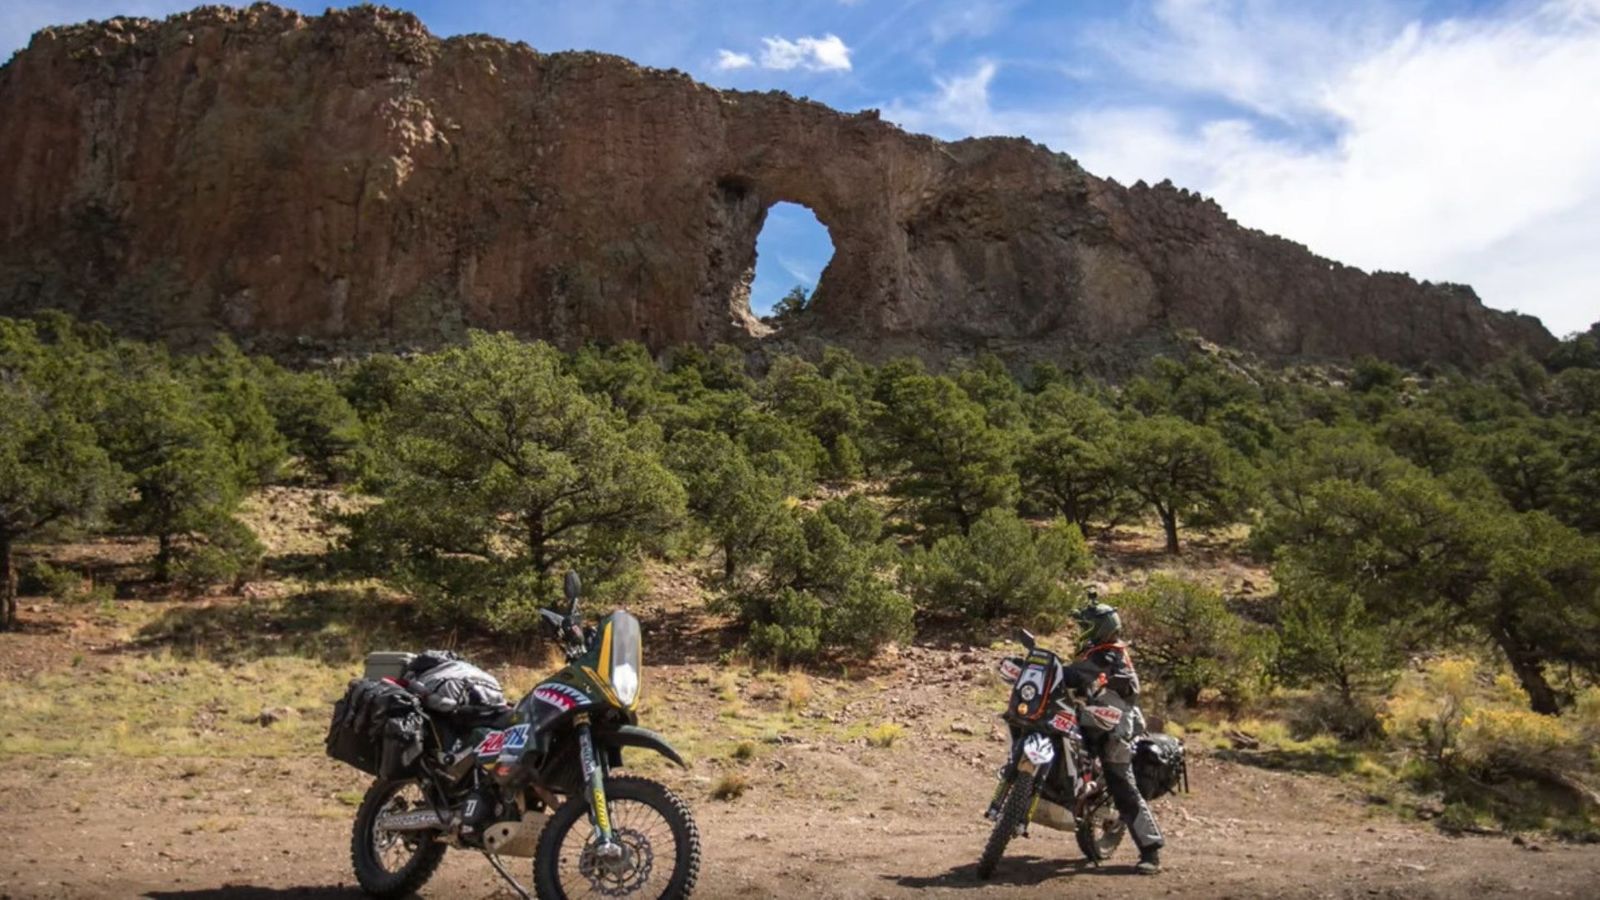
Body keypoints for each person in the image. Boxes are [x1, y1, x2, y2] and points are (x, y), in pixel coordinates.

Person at [1069, 595, 1165, 875]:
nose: (1080, 630)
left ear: (1100, 627)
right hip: (1092, 722)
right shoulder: (1095, 651)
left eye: (1085, 625)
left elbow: (1076, 675)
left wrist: (1058, 673)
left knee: (1121, 784)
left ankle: (1151, 850)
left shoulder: (1109, 654)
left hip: (1114, 727)